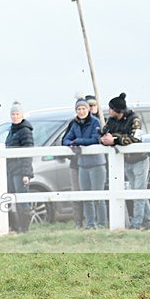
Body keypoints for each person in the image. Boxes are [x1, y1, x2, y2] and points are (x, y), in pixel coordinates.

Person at [100, 92, 150, 230]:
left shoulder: (134, 119)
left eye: (111, 108)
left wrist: (115, 139)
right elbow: (104, 133)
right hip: (126, 161)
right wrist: (104, 138)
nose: (109, 111)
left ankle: (136, 224)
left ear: (117, 110)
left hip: (139, 160)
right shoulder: (111, 120)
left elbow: (135, 138)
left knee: (138, 193)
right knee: (136, 191)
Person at [62, 97, 106, 229]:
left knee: (98, 196)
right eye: (78, 109)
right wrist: (71, 143)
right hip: (82, 164)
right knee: (86, 197)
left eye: (83, 108)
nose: (81, 111)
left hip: (96, 163)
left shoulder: (95, 122)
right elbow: (66, 139)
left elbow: (95, 139)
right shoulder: (75, 124)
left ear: (88, 109)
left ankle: (102, 224)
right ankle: (90, 224)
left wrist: (78, 141)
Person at [5, 101, 34, 234]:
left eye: (17, 114)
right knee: (11, 200)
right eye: (13, 114)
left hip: (20, 170)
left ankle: (25, 229)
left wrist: (26, 174)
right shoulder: (12, 130)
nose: (15, 116)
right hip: (11, 169)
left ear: (21, 115)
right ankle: (15, 228)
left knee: (22, 201)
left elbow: (28, 153)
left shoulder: (25, 131)